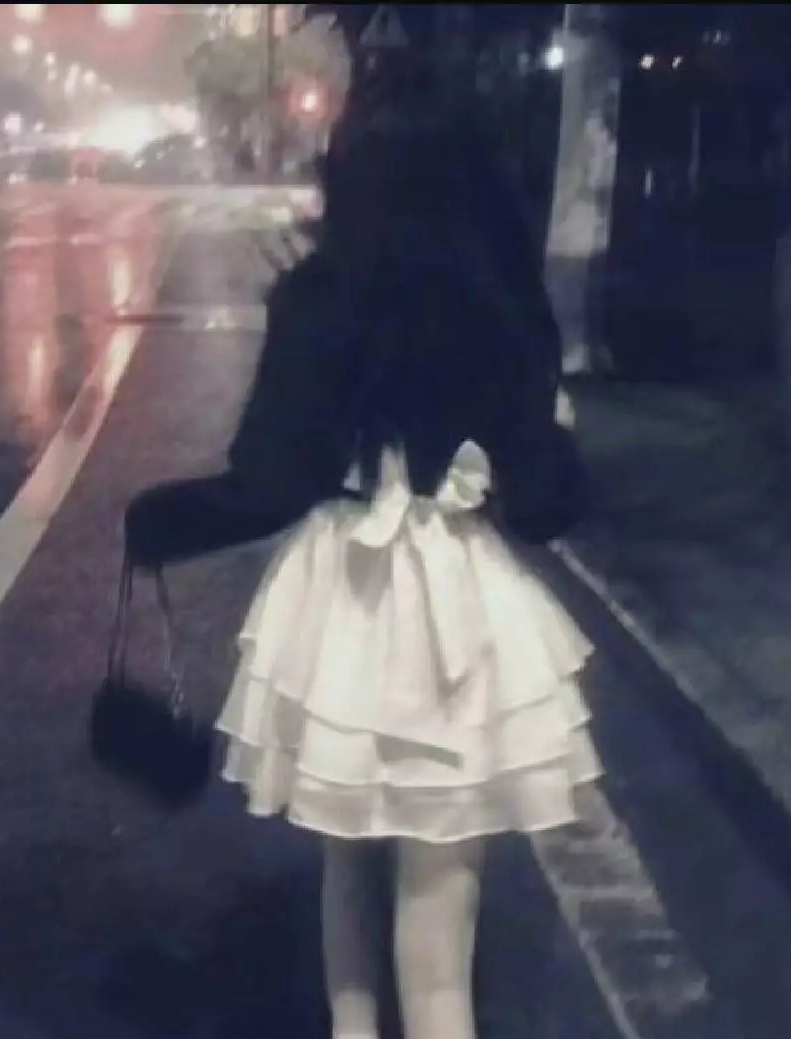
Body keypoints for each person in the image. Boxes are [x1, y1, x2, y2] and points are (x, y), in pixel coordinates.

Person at [124, 103, 601, 1039]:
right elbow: (546, 505)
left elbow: (271, 478)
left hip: (338, 601)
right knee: (440, 931)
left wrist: (159, 520)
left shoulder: (318, 297)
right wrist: (541, 443)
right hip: (460, 605)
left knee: (345, 866)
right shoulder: (501, 307)